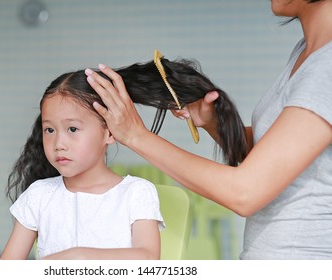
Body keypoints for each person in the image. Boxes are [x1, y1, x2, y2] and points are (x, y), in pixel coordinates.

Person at [85, 0, 332, 259]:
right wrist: (215, 123)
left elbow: (245, 192)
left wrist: (136, 135)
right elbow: (275, 163)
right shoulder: (306, 53)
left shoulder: (326, 67)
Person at [0, 70, 164, 260]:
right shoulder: (38, 195)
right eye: (49, 130)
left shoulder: (136, 192)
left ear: (109, 133)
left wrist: (80, 257)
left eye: (72, 129)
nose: (59, 144)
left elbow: (148, 259)